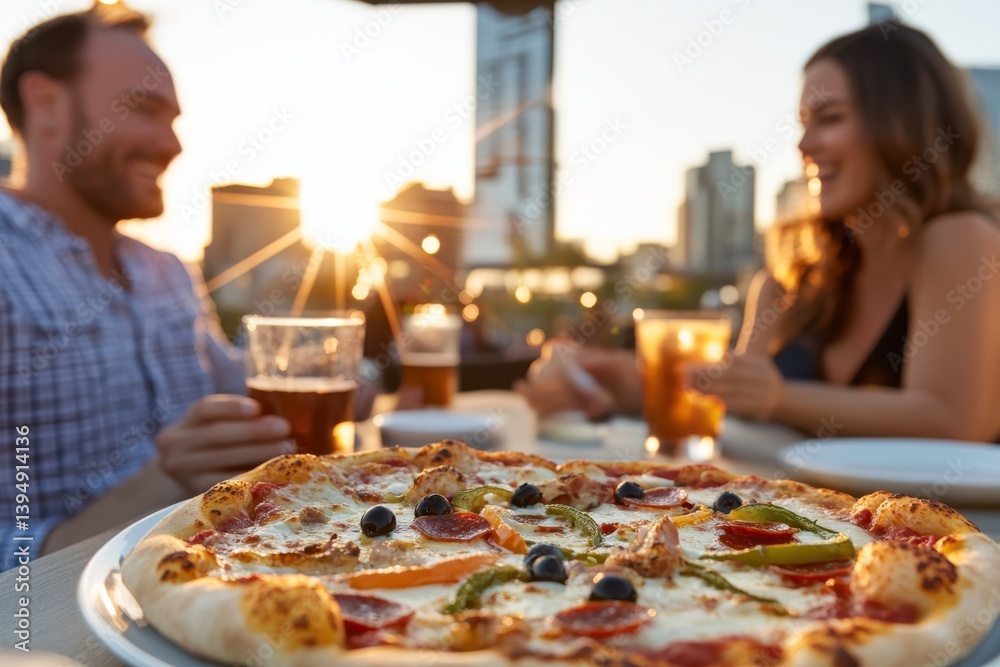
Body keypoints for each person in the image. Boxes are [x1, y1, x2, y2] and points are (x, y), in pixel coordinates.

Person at [520, 22, 1000, 443]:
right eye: (803, 123)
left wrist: (777, 397)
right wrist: (619, 386)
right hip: (813, 524)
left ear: (904, 126)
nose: (804, 144)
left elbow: (955, 421)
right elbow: (734, 409)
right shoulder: (793, 274)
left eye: (830, 119)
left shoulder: (960, 237)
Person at [0, 8, 292, 570]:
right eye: (143, 109)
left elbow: (245, 387)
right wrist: (161, 485)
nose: (172, 143)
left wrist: (382, 382)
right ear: (45, 104)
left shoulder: (167, 271)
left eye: (174, 119)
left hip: (231, 584)